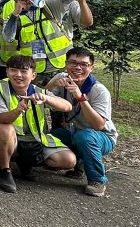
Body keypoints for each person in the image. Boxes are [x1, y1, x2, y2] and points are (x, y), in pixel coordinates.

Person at [0, 55, 77, 193]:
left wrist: (46, 98)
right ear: (7, 72)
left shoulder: (38, 91)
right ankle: (5, 171)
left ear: (33, 75)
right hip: (10, 139)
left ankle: (26, 163)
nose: (18, 75)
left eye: (24, 72)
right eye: (13, 70)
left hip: (36, 139)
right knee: (4, 129)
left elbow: (67, 106)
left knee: (69, 160)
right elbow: (2, 119)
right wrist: (18, 110)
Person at [45, 47, 118, 197]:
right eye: (73, 63)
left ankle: (97, 180)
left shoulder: (99, 90)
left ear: (91, 68)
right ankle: (79, 164)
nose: (78, 67)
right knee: (52, 136)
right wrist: (54, 83)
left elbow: (98, 125)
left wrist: (81, 98)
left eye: (84, 65)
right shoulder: (63, 79)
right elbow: (45, 95)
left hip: (102, 136)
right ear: (66, 64)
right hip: (76, 132)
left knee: (84, 137)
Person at [3, 0, 74, 81]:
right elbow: (8, 38)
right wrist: (15, 14)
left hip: (62, 65)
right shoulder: (11, 11)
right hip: (35, 70)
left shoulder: (48, 3)